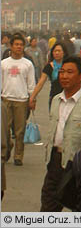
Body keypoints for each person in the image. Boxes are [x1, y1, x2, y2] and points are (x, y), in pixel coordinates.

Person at [41, 55, 81, 211]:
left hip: (76, 165)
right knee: (47, 207)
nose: (64, 76)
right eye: (62, 72)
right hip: (55, 161)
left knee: (79, 209)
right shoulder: (56, 100)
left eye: (69, 72)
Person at [1, 33, 36, 166]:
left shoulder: (28, 64)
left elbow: (31, 83)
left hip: (22, 100)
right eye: (16, 44)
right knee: (4, 130)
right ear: (11, 46)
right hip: (6, 99)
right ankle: (6, 150)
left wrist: (32, 98)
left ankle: (18, 156)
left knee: (20, 131)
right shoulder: (3, 64)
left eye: (21, 45)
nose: (19, 47)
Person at [29, 42, 68, 111]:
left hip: (68, 97)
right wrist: (32, 97)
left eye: (59, 51)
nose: (57, 53)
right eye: (55, 51)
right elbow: (40, 83)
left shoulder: (68, 65)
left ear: (64, 53)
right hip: (54, 97)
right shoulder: (49, 66)